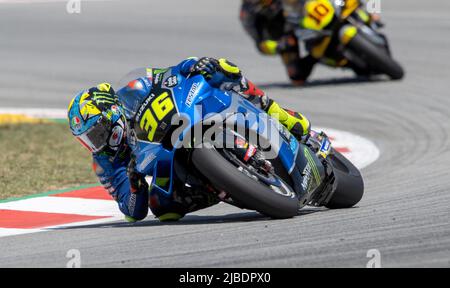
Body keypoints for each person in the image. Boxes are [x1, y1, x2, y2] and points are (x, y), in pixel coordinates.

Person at [67, 57, 311, 222]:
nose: (95, 143)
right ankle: (222, 187)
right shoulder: (104, 161)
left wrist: (193, 65)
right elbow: (132, 212)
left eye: (96, 133)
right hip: (167, 160)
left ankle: (278, 113)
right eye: (87, 139)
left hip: (183, 118)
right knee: (162, 208)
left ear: (111, 114)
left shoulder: (134, 88)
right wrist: (134, 184)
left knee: (220, 70)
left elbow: (170, 74)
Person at [240, 0, 383, 84]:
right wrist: (280, 45)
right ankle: (320, 55)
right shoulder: (248, 14)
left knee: (369, 8)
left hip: (312, 12)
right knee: (296, 75)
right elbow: (261, 45)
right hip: (290, 34)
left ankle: (367, 14)